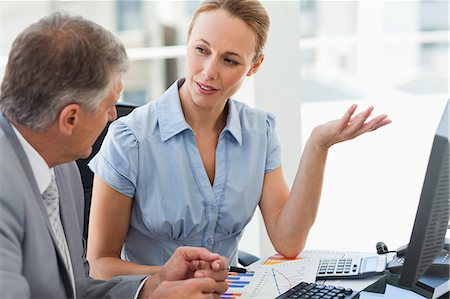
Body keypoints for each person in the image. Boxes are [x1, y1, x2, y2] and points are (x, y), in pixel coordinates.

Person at [87, 0, 392, 280]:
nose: (209, 72)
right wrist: (172, 276)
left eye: (230, 61)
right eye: (201, 50)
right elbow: (100, 265)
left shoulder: (260, 132)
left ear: (254, 66)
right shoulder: (130, 138)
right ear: (188, 43)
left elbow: (288, 241)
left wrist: (318, 145)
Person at [0, 12, 229, 299]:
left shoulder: (63, 167)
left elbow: (77, 290)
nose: (113, 117)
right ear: (70, 118)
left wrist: (151, 288)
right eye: (110, 105)